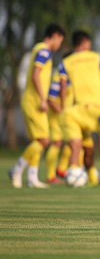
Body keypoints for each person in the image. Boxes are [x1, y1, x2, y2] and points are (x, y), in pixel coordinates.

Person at [9, 23, 65, 188]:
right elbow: (35, 75)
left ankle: (32, 177)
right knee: (44, 141)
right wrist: (42, 98)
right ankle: (17, 169)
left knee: (37, 140)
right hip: (34, 101)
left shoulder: (37, 49)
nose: (59, 45)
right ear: (54, 37)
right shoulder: (44, 51)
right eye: (60, 41)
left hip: (30, 100)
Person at [58, 30, 100, 186]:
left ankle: (76, 175)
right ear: (85, 43)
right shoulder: (96, 57)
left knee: (78, 145)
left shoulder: (66, 62)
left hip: (81, 110)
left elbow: (63, 86)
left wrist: (64, 108)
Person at [44, 64, 75, 184]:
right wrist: (62, 113)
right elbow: (51, 99)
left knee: (72, 141)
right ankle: (50, 176)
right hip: (57, 116)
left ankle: (61, 170)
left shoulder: (71, 78)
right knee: (56, 143)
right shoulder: (58, 79)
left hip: (67, 117)